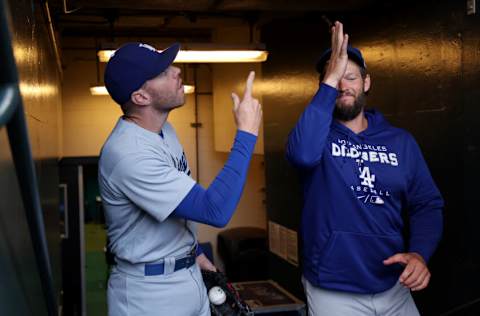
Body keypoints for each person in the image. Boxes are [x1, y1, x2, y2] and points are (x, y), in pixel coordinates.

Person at [286, 22, 443, 316]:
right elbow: (303, 156)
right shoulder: (317, 135)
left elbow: (427, 204)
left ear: (366, 83)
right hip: (334, 288)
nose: (344, 85)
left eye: (351, 77)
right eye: (335, 78)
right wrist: (329, 82)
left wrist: (420, 254)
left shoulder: (400, 142)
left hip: (394, 285)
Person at [98, 42, 262, 316]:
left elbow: (174, 204)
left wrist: (194, 252)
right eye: (162, 72)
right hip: (149, 293)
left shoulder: (164, 130)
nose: (175, 70)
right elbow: (214, 209)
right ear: (140, 97)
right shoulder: (129, 153)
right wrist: (246, 134)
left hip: (188, 274)